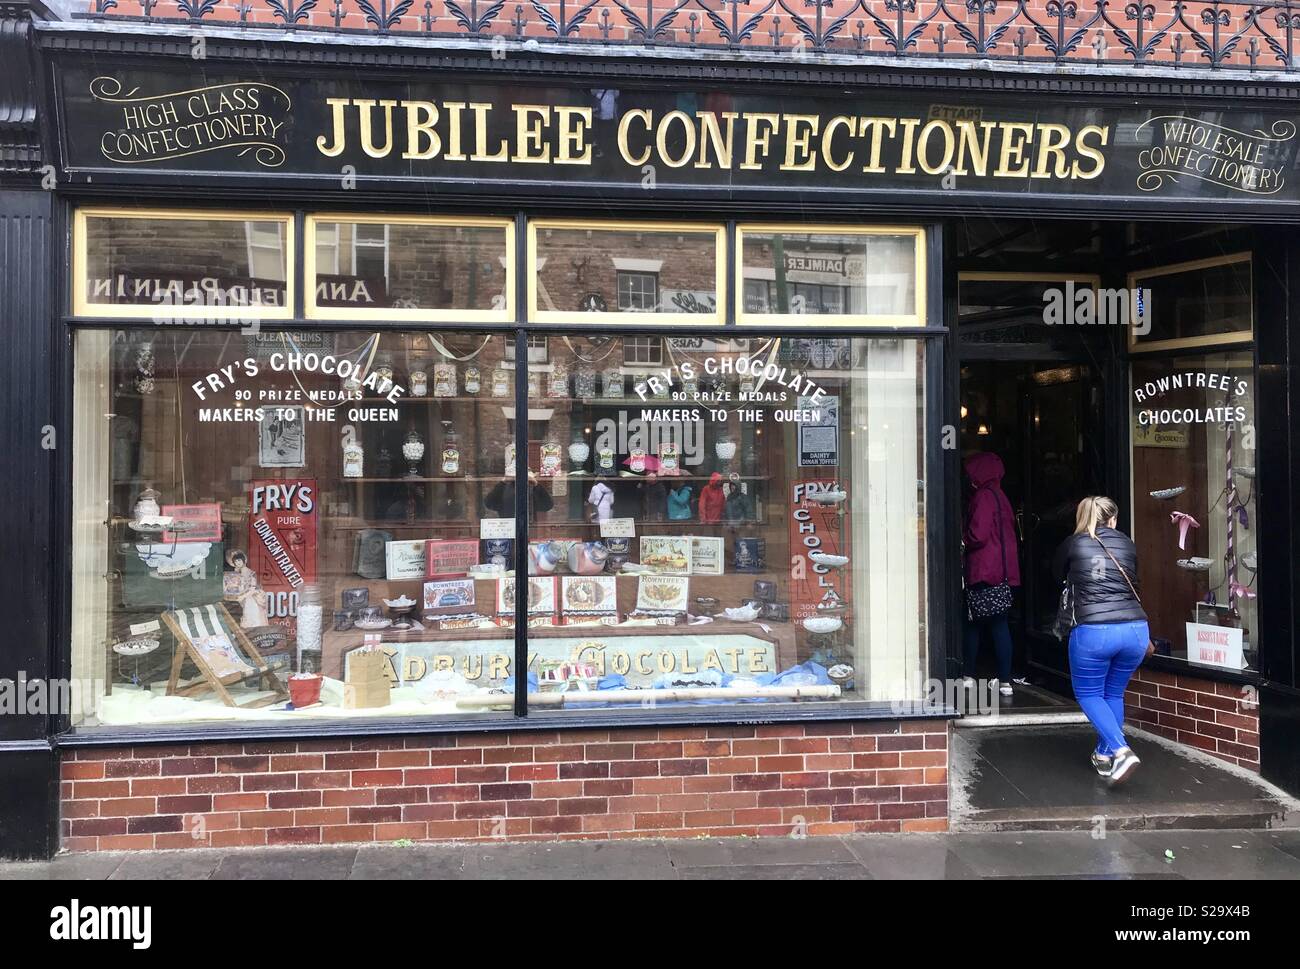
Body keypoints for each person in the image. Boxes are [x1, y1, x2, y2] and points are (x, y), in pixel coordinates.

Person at [1053, 496, 1149, 786]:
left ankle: (1121, 750)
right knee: (1114, 694)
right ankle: (1104, 755)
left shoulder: (1073, 543)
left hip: (1095, 631)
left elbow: (1057, 575)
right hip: (1135, 630)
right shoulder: (1127, 544)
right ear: (1114, 519)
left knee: (1089, 695)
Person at [962, 452, 1021, 697]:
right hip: (1003, 571)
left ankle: (967, 675)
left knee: (974, 623)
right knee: (999, 623)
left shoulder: (983, 497)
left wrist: (962, 540)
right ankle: (1005, 680)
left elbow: (979, 534)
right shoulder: (1000, 496)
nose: (969, 478)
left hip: (984, 569)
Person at [484, 469, 554, 517]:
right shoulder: (504, 488)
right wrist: (503, 483)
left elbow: (547, 505)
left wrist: (536, 484)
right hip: (507, 526)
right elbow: (489, 504)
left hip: (528, 525)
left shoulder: (531, 488)